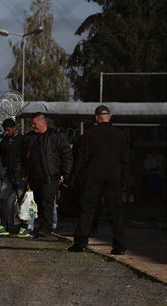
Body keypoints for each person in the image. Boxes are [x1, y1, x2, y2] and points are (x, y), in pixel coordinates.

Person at [68, 105, 129, 255]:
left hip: (93, 177)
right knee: (115, 211)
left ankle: (80, 243)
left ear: (96, 118)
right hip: (113, 177)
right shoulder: (120, 135)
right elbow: (125, 159)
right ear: (110, 116)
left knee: (87, 210)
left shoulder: (89, 135)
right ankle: (119, 246)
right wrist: (125, 179)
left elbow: (81, 159)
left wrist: (74, 178)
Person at [24, 112, 73, 238]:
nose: (33, 126)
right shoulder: (30, 138)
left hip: (51, 176)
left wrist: (65, 174)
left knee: (47, 202)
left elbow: (66, 155)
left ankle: (46, 229)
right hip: (35, 177)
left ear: (43, 123)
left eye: (35, 124)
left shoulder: (55, 136)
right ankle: (42, 227)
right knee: (39, 203)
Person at [0, 118, 29, 236]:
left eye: (8, 130)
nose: (7, 132)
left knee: (23, 201)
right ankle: (3, 225)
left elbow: (26, 157)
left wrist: (25, 174)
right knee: (3, 200)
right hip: (8, 174)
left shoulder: (22, 140)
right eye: (5, 130)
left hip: (20, 175)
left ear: (14, 128)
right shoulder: (3, 140)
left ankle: (24, 227)